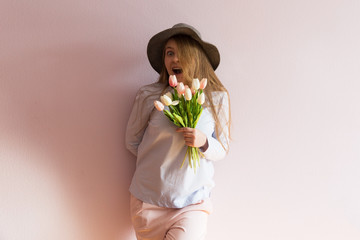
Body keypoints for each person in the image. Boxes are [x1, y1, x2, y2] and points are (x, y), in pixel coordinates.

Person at [125, 23, 231, 240]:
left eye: (180, 53)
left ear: (195, 56)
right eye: (169, 53)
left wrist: (203, 142)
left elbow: (223, 149)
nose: (174, 59)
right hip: (148, 203)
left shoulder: (216, 98)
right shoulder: (149, 95)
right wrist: (162, 162)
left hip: (192, 202)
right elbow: (132, 142)